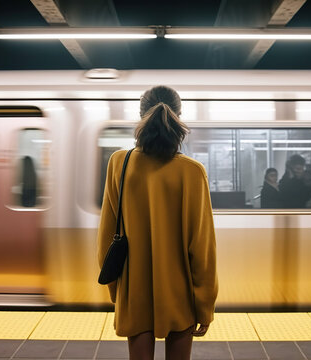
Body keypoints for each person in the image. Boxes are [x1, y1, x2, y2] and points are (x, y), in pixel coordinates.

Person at [97, 86, 218, 360]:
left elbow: (106, 236)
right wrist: (204, 305)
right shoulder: (192, 172)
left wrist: (119, 291)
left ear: (141, 117)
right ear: (178, 116)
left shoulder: (120, 163)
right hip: (181, 294)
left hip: (134, 289)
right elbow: (202, 248)